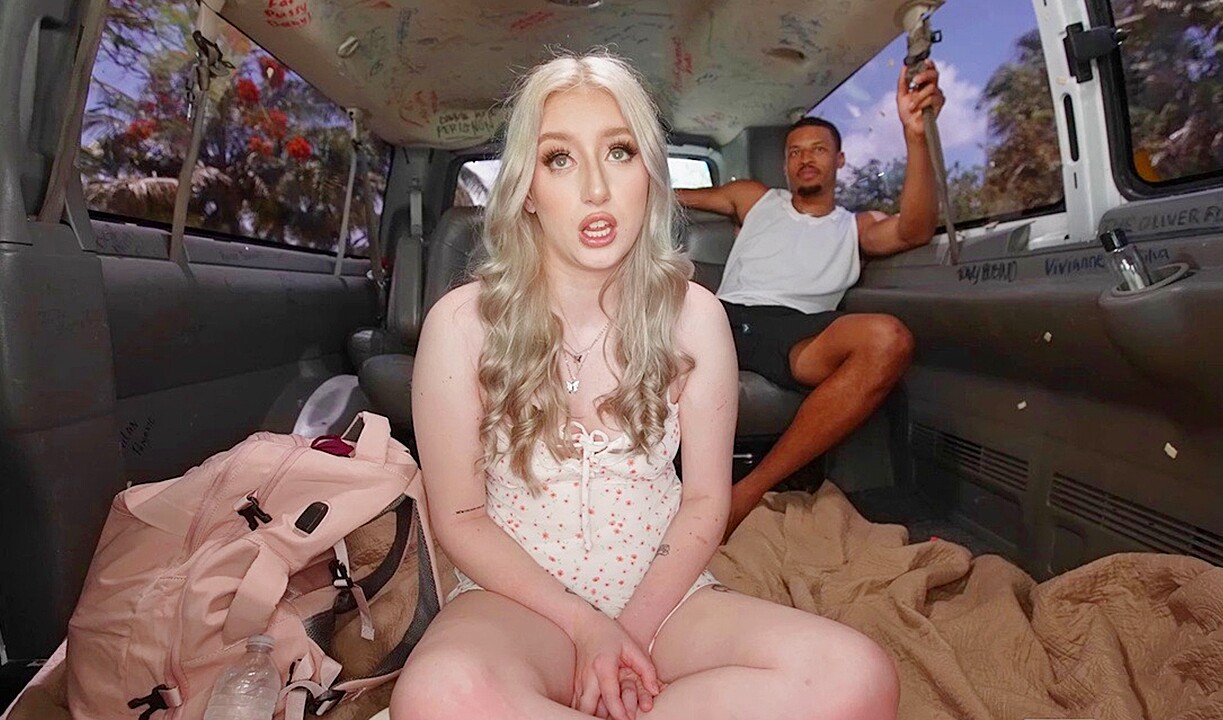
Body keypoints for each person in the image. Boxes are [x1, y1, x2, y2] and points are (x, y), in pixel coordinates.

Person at [391, 53, 899, 720]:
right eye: (559, 159)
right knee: (437, 697)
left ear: (651, 174)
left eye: (620, 152)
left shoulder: (696, 317)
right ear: (526, 189)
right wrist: (586, 628)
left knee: (856, 676)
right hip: (515, 603)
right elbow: (460, 519)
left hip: (663, 603)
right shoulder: (461, 323)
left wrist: (626, 634)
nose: (596, 188)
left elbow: (705, 501)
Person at [678, 63, 945, 540]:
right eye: (795, 151)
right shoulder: (754, 198)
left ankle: (748, 492)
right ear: (785, 165)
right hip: (728, 316)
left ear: (839, 160)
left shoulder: (856, 226)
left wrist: (916, 135)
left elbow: (916, 229)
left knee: (889, 338)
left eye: (818, 149)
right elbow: (667, 195)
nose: (805, 158)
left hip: (801, 330)